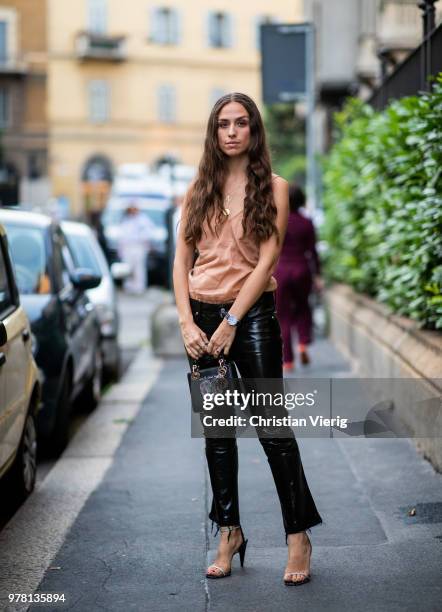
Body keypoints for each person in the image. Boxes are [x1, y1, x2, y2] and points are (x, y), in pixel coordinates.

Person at [173, 92, 322, 585]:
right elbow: (182, 261)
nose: (232, 131)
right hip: (200, 317)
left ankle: (297, 535)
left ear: (254, 131)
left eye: (241, 123)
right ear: (214, 133)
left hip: (251, 318)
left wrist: (231, 322)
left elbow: (267, 263)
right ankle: (229, 531)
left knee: (272, 431)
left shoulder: (274, 188)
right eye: (223, 124)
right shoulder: (198, 188)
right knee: (218, 436)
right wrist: (187, 323)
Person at [275, 184, 323, 371]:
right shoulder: (307, 222)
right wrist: (318, 275)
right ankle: (303, 342)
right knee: (303, 307)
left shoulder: (278, 221)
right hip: (302, 269)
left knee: (282, 316)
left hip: (281, 271)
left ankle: (288, 360)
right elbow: (313, 251)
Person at [118, 203, 154, 294]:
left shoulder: (143, 219)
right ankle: (128, 286)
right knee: (128, 267)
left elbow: (148, 233)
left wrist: (142, 240)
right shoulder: (125, 219)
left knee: (139, 268)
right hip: (127, 247)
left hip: (138, 247)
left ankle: (139, 286)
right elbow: (122, 235)